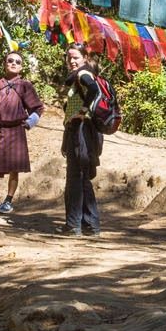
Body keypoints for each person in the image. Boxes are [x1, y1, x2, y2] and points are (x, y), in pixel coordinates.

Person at [0, 51, 44, 215]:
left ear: (22, 66)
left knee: (15, 169)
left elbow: (38, 107)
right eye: (10, 60)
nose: (14, 63)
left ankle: (8, 201)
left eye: (17, 62)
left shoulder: (25, 85)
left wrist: (30, 121)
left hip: (17, 131)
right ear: (4, 63)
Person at [59, 45, 102, 237]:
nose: (71, 61)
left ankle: (73, 225)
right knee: (82, 177)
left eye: (75, 57)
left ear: (85, 57)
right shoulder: (81, 74)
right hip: (80, 131)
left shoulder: (83, 74)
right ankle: (89, 225)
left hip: (82, 131)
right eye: (69, 58)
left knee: (75, 178)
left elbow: (94, 90)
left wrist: (83, 112)